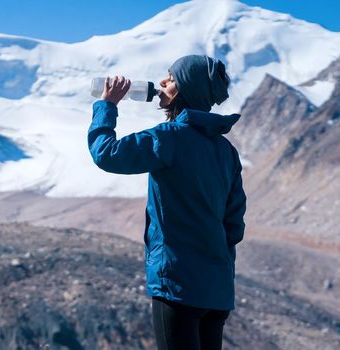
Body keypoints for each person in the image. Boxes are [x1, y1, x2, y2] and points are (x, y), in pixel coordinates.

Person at [87, 55, 246, 350]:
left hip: (177, 285)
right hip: (217, 291)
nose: (162, 82)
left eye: (171, 78)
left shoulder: (169, 137)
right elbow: (234, 226)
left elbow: (106, 154)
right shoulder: (227, 152)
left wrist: (107, 106)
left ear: (187, 88)